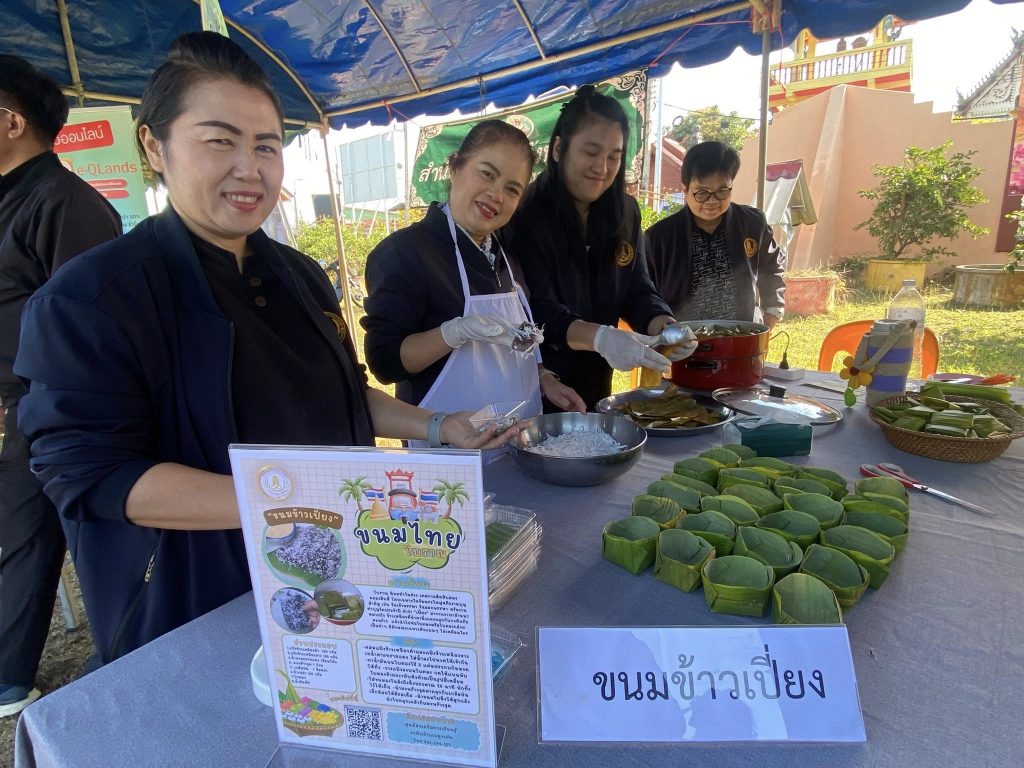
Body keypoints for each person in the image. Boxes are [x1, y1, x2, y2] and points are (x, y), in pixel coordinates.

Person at [13, 32, 517, 668]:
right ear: (154, 146)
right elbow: (90, 474)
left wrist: (441, 426)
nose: (249, 168)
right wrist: (300, 506)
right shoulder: (90, 298)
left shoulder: (300, 276)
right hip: (196, 604)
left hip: (329, 578)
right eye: (219, 141)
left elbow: (344, 394)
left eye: (266, 146)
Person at [0, 56, 122, 716]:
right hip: (17, 410)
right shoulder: (12, 199)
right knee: (23, 536)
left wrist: (57, 413)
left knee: (91, 541)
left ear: (11, 122)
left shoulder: (65, 203)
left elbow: (91, 328)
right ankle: (10, 675)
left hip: (56, 409)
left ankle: (127, 660)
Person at [362, 119, 586, 436]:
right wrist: (454, 332)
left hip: (518, 443)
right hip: (451, 455)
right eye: (487, 174)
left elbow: (515, 345)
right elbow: (385, 362)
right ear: (455, 167)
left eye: (512, 189)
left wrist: (544, 378)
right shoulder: (405, 252)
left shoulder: (506, 258)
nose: (496, 195)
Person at [505, 85, 694, 411]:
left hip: (598, 385)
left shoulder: (625, 212)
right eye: (590, 152)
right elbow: (536, 311)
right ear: (559, 148)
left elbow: (637, 289)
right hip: (540, 385)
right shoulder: (525, 214)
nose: (602, 168)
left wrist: (664, 326)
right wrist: (601, 338)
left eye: (613, 156)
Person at [645, 140, 785, 329]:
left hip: (742, 333)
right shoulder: (660, 237)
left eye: (722, 191)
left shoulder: (752, 224)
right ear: (685, 189)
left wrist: (772, 310)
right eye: (702, 193)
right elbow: (645, 291)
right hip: (684, 338)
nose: (712, 201)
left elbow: (772, 266)